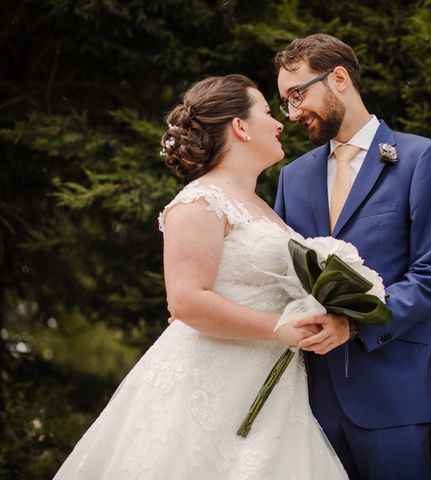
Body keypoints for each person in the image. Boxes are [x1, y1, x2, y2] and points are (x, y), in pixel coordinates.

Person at [53, 75, 348, 479]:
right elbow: (187, 300)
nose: (281, 122)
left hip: (270, 391)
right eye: (266, 111)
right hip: (210, 386)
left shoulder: (263, 208)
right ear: (240, 127)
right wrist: (279, 328)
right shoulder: (199, 201)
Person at [274, 34, 431, 479]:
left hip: (393, 394)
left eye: (298, 94)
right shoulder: (292, 178)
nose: (294, 112)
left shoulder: (420, 158)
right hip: (310, 398)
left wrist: (354, 322)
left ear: (338, 78)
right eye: (285, 103)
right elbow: (277, 275)